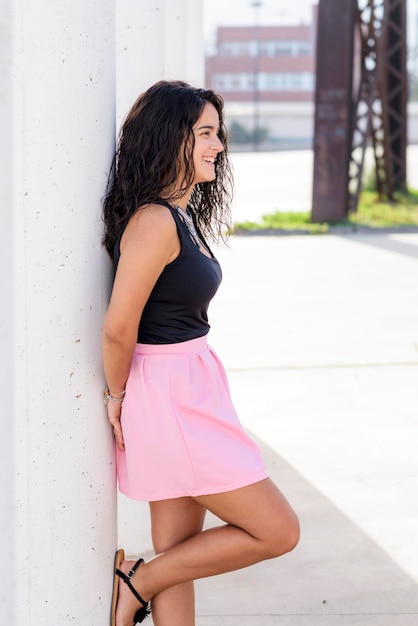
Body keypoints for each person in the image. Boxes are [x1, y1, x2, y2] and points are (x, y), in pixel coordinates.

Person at [102, 80, 300, 626]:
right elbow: (119, 327)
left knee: (179, 550)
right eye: (206, 133)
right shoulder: (154, 221)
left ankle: (144, 581)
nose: (219, 145)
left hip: (185, 386)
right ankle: (135, 583)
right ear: (171, 138)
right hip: (169, 395)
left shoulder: (177, 213)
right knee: (278, 530)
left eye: (219, 133)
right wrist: (116, 397)